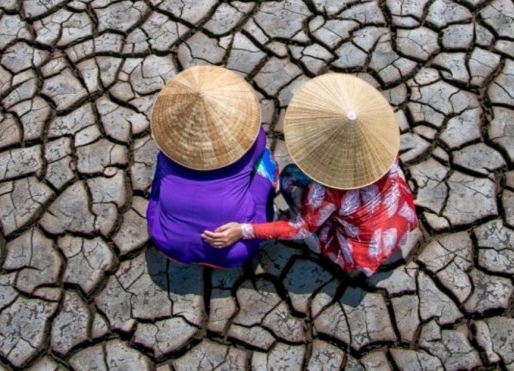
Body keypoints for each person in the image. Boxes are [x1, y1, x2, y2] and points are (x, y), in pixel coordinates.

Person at [203, 73, 418, 276]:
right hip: (399, 221)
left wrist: (243, 230)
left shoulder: (325, 193)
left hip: (357, 254)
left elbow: (300, 230)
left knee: (289, 178)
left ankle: (324, 245)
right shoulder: (382, 146)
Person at [147, 65, 276, 268]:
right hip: (230, 254)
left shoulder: (167, 154)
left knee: (160, 179)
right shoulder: (255, 140)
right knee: (267, 161)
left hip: (169, 246)